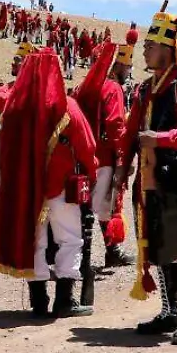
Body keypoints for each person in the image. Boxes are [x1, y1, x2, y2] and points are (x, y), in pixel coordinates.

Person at [121, 6, 177, 345]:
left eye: (151, 45)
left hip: (176, 176)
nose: (145, 49)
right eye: (144, 44)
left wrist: (160, 139)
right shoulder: (146, 89)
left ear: (168, 48)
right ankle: (169, 310)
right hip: (147, 177)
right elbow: (132, 130)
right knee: (157, 242)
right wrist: (121, 166)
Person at [0, 47, 98, 317]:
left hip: (27, 189)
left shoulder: (15, 109)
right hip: (59, 187)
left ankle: (39, 302)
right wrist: (92, 174)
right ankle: (64, 300)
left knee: (35, 241)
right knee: (70, 240)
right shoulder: (67, 107)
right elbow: (87, 147)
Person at [74, 25, 138, 270]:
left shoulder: (90, 84)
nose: (129, 71)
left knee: (91, 205)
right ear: (119, 65)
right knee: (100, 206)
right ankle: (94, 255)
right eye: (128, 67)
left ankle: (107, 250)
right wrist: (124, 157)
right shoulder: (112, 88)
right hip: (105, 158)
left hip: (88, 155)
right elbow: (115, 125)